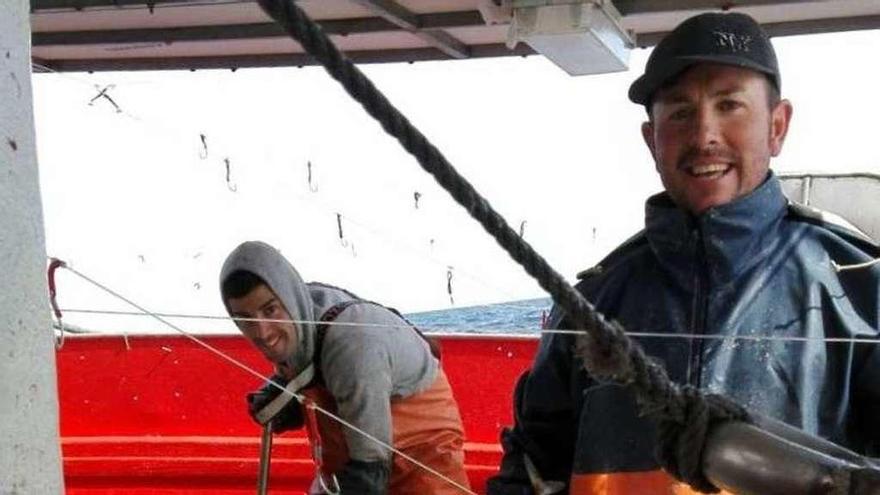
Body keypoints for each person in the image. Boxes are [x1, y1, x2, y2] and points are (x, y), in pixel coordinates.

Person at [487, 11, 880, 495]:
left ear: (778, 126)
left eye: (729, 105)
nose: (704, 136)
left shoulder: (862, 285)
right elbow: (531, 469)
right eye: (679, 112)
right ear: (652, 140)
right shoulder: (591, 301)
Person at [219, 240, 471, 494]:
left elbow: (368, 476)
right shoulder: (300, 319)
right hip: (351, 453)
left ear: (289, 299)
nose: (262, 332)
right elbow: (310, 359)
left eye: (270, 309)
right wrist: (286, 389)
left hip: (421, 452)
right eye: (245, 319)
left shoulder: (352, 345)